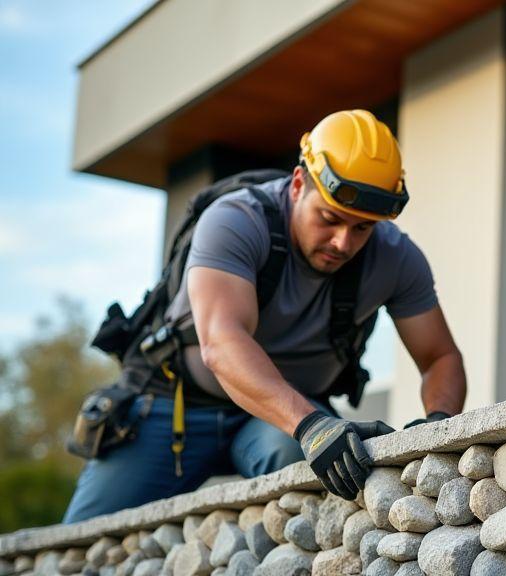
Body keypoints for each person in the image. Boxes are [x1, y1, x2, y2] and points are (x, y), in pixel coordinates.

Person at [64, 110, 466, 522]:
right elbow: (221, 344)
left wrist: (438, 426)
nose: (343, 242)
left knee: (320, 475)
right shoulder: (235, 220)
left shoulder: (396, 257)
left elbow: (440, 358)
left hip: (281, 420)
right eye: (329, 219)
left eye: (362, 228)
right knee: (79, 544)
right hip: (178, 406)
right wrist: (313, 425)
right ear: (297, 185)